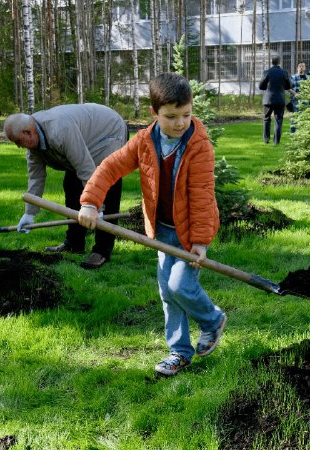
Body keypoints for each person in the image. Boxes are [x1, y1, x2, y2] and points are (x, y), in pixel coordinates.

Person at [77, 73, 227, 376]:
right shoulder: (145, 141)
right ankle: (179, 352)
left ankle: (212, 320)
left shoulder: (199, 146)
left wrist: (199, 242)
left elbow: (201, 196)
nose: (180, 122)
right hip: (161, 230)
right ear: (154, 114)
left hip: (191, 231)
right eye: (171, 116)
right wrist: (90, 202)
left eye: (186, 114)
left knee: (180, 286)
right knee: (167, 293)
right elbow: (110, 166)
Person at [4, 103, 127, 269]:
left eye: (18, 141)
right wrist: (29, 214)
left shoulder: (60, 130)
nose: (19, 146)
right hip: (85, 139)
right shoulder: (33, 144)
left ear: (28, 132)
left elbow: (85, 168)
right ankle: (74, 244)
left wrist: (97, 207)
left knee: (106, 182)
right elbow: (36, 178)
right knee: (71, 185)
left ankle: (102, 250)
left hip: (108, 133)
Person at [258, 56, 292, 145]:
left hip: (268, 99)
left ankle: (266, 139)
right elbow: (288, 86)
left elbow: (261, 86)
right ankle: (276, 141)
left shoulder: (267, 72)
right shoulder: (284, 72)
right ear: (280, 62)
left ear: (271, 62)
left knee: (266, 119)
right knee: (278, 120)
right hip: (280, 99)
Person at [289, 62, 308, 133]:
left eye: (303, 66)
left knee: (305, 117)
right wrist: (295, 94)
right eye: (300, 66)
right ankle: (293, 134)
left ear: (305, 68)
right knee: (295, 117)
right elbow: (288, 88)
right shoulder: (293, 77)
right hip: (295, 100)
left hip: (306, 100)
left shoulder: (308, 78)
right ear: (297, 68)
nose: (301, 67)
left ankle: (303, 133)